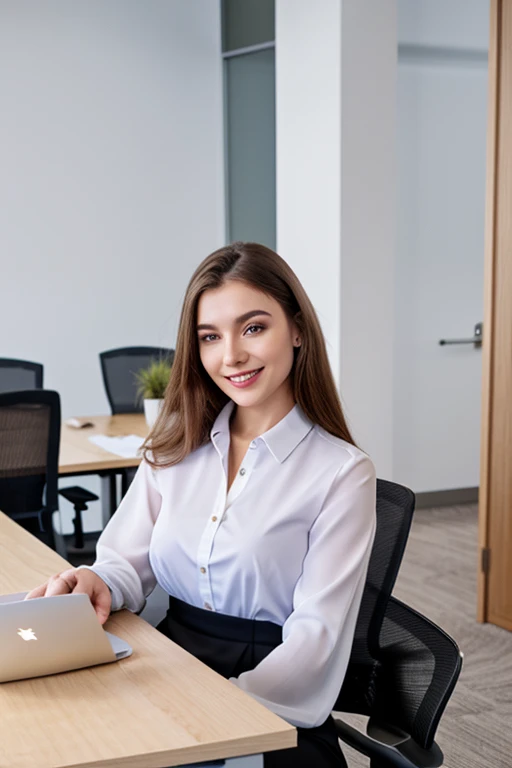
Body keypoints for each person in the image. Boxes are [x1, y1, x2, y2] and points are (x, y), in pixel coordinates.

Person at [28, 242, 376, 767]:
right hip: (169, 663)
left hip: (270, 700)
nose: (230, 355)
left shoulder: (342, 474)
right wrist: (97, 582)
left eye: (253, 328)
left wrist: (210, 713)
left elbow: (314, 644)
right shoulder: (177, 446)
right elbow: (126, 562)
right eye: (210, 337)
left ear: (298, 329)